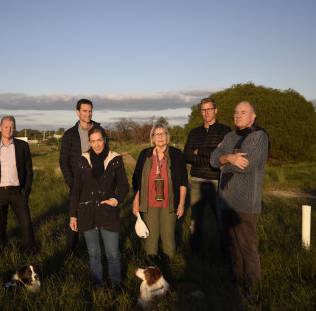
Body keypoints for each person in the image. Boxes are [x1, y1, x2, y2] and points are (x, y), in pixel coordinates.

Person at [210, 101, 269, 288]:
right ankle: (237, 284)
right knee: (233, 247)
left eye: (243, 112)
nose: (238, 115)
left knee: (247, 248)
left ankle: (253, 289)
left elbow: (246, 165)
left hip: (245, 204)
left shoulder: (259, 137)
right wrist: (229, 157)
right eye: (236, 112)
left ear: (253, 117)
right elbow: (212, 160)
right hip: (226, 201)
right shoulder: (229, 136)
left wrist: (223, 159)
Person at [69, 127, 129, 288]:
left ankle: (117, 286)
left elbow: (124, 186)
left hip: (108, 213)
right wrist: (73, 215)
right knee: (94, 254)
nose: (97, 145)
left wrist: (115, 200)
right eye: (93, 141)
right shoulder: (83, 160)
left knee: (113, 254)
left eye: (99, 140)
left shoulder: (115, 159)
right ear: (89, 142)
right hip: (87, 213)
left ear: (105, 139)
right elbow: (76, 189)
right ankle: (98, 286)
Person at [132, 123, 188, 263]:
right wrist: (135, 201)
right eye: (157, 134)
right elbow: (136, 180)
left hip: (169, 202)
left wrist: (181, 204)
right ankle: (152, 259)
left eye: (163, 133)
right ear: (152, 137)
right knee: (151, 234)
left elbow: (183, 181)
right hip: (148, 202)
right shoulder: (145, 154)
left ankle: (168, 260)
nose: (160, 136)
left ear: (167, 136)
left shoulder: (176, 154)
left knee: (168, 234)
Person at [183, 98, 231, 259]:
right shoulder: (194, 132)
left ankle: (226, 257)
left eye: (209, 109)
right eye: (203, 110)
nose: (206, 112)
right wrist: (212, 156)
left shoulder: (225, 131)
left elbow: (224, 153)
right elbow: (187, 156)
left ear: (216, 110)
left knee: (221, 221)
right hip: (196, 180)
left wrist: (201, 150)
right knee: (195, 223)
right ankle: (197, 257)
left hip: (217, 181)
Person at [0, 116, 36, 252]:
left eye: (11, 127)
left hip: (18, 192)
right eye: (6, 127)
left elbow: (29, 170)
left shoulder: (22, 146)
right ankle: (1, 251)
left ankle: (29, 251)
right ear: (0, 128)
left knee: (26, 223)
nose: (9, 130)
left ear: (14, 128)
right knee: (0, 226)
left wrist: (25, 191)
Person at [59, 99, 100, 255]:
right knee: (74, 216)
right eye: (84, 111)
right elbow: (63, 160)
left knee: (97, 216)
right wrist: (71, 182)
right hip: (77, 183)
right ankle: (71, 251)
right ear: (78, 112)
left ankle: (97, 249)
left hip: (96, 182)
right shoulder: (70, 134)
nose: (88, 113)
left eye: (90, 111)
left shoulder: (99, 131)